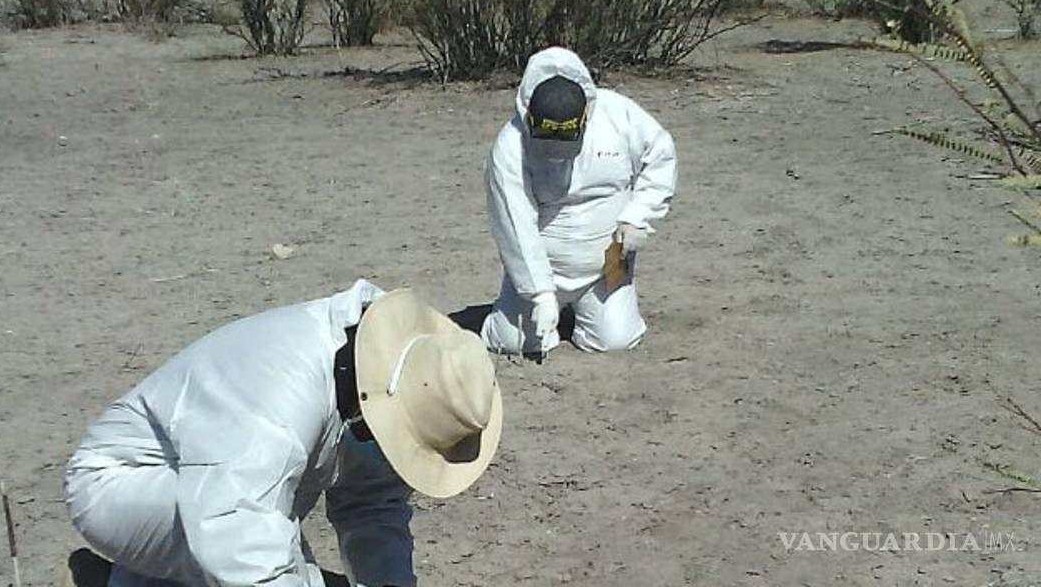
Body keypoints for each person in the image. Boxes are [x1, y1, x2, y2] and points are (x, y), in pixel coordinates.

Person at [63, 281, 503, 587]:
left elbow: (372, 505)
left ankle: (135, 577)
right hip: (120, 482)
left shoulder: (392, 374)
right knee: (262, 556)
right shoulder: (279, 400)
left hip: (208, 479)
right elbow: (238, 535)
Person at [482, 46, 676, 356]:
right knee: (512, 343)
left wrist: (638, 216)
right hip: (544, 269)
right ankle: (528, 305)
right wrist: (540, 292)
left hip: (608, 264)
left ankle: (596, 306)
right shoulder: (510, 146)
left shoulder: (620, 116)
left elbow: (661, 155)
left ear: (585, 117)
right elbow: (513, 223)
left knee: (615, 341)